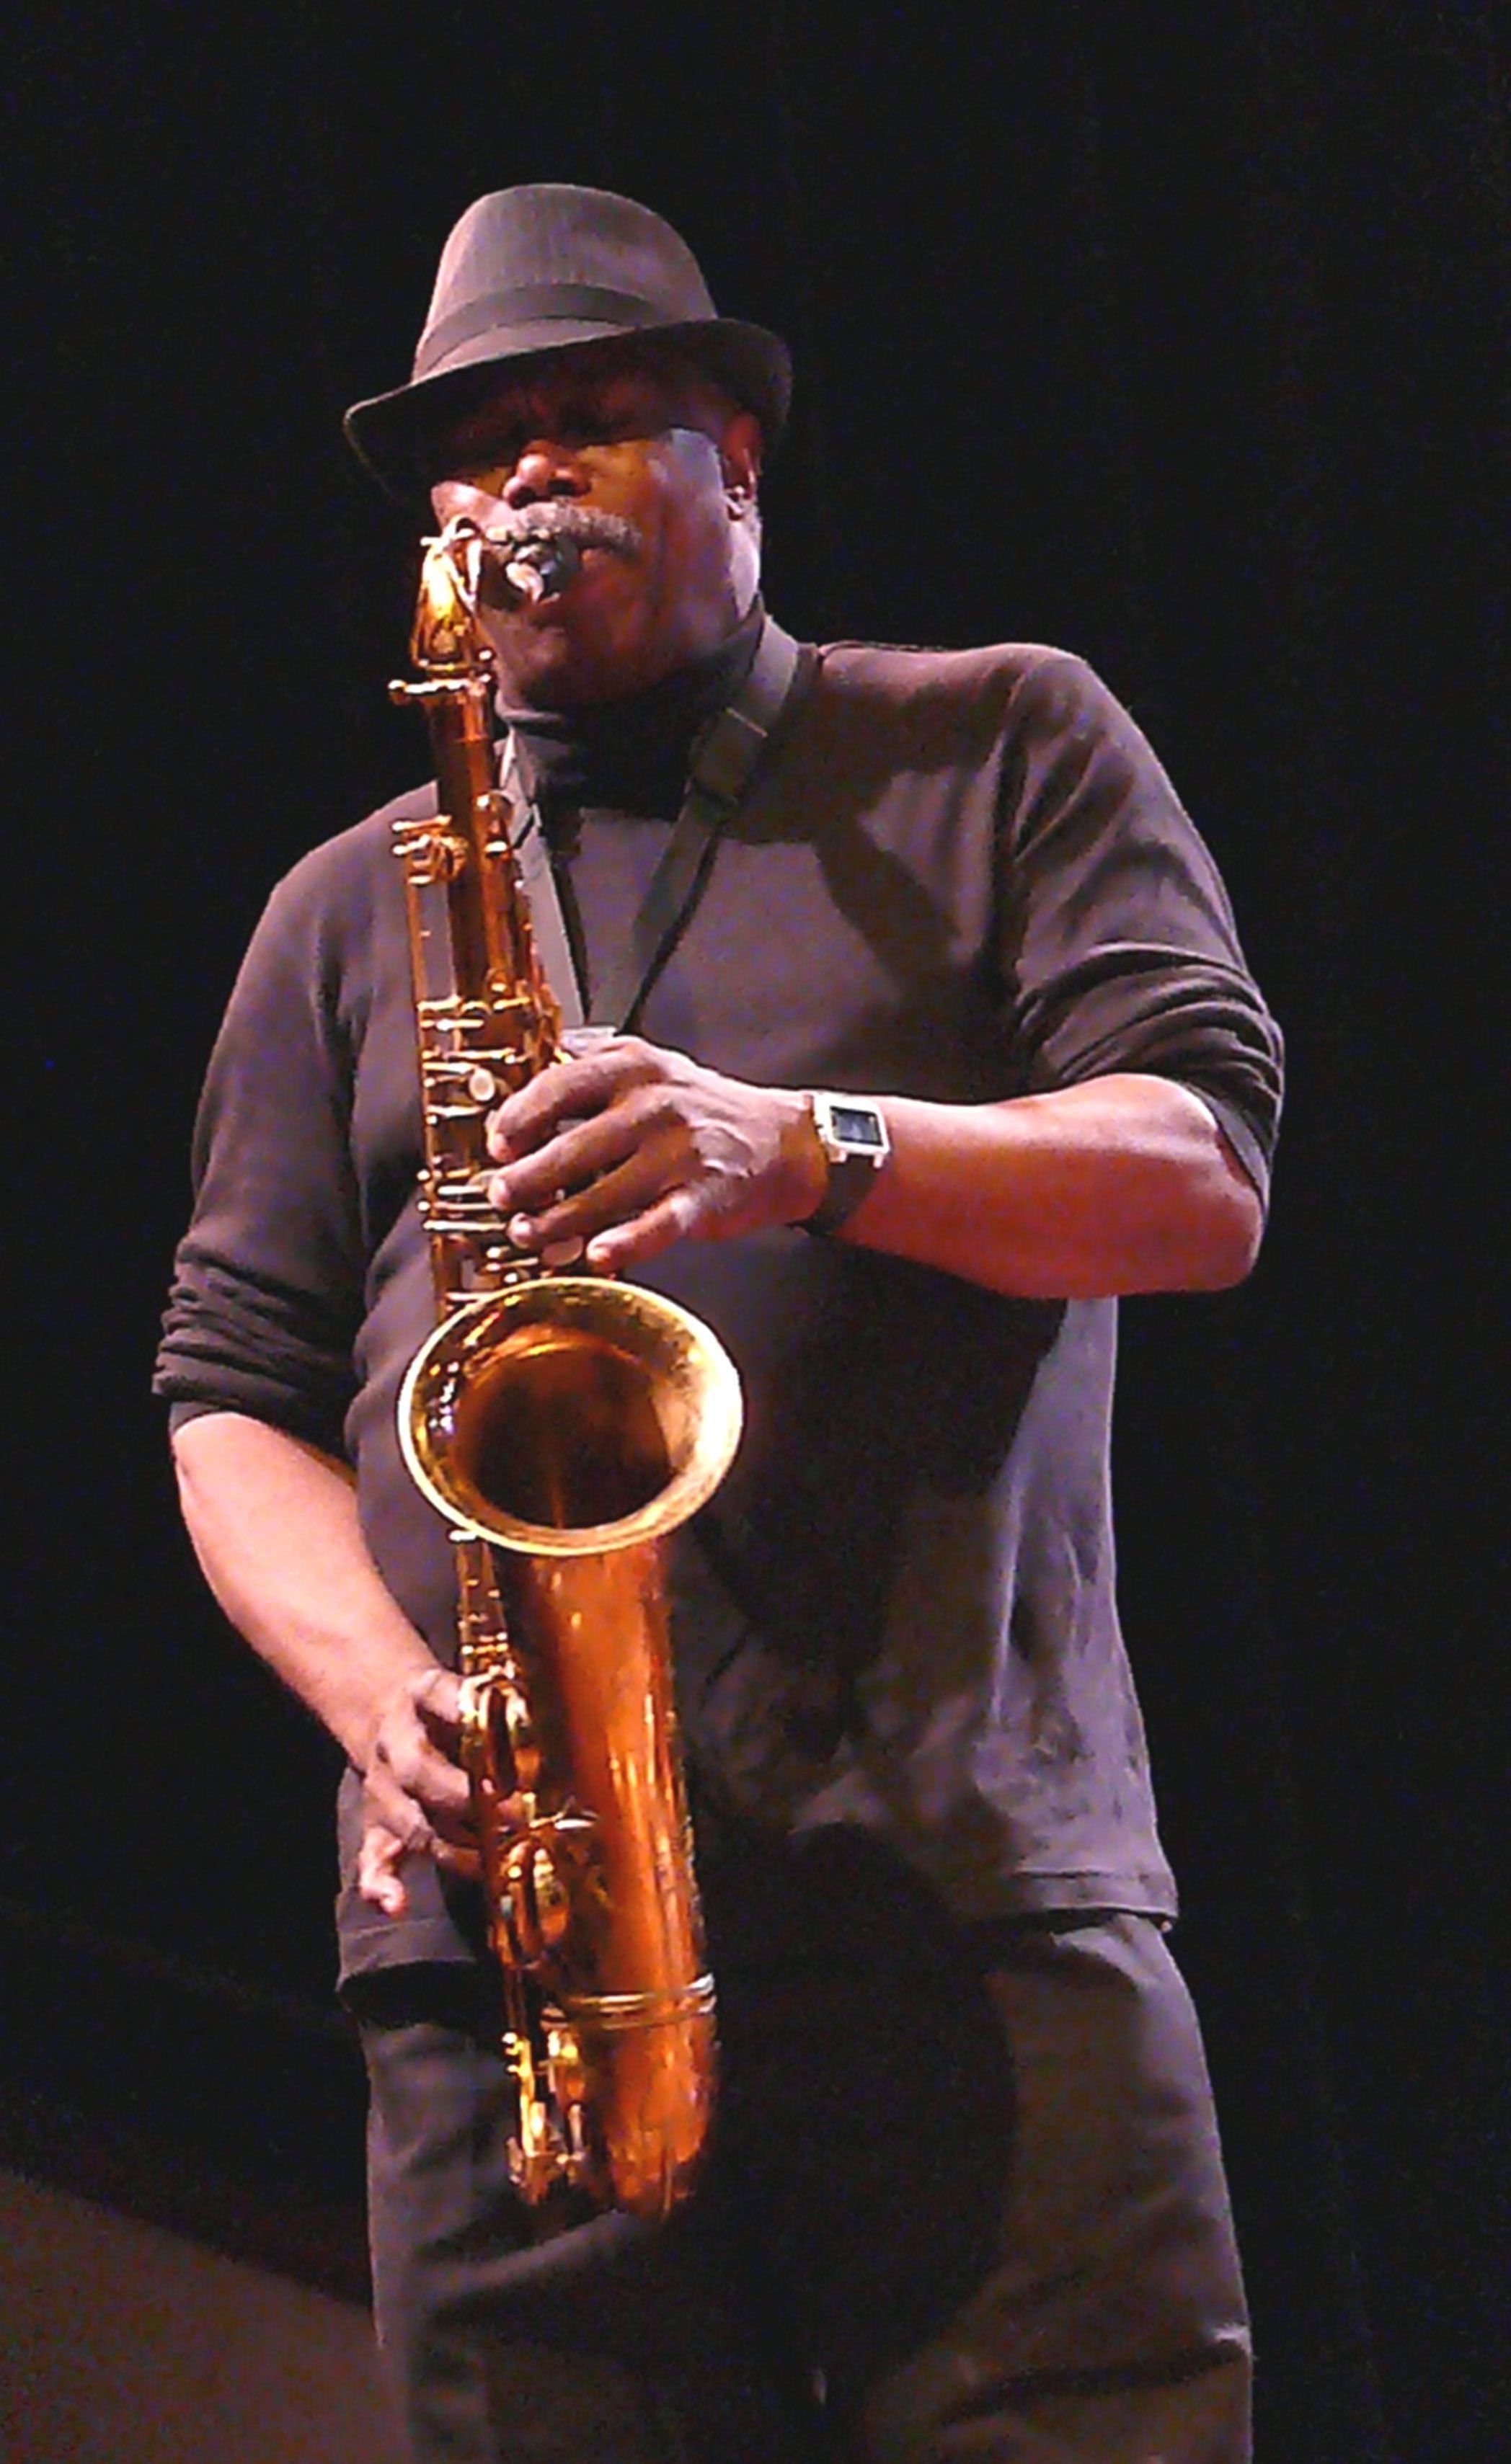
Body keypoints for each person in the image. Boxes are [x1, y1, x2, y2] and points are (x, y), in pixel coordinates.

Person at [156, 184, 1283, 2464]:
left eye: (590, 419)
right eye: (475, 452)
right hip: (515, 1946)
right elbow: (226, 1397)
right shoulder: (342, 913)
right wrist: (387, 1702)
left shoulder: (995, 748)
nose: (522, 484)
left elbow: (1203, 1178)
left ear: (739, 461)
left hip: (966, 1904)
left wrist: (805, 1149)